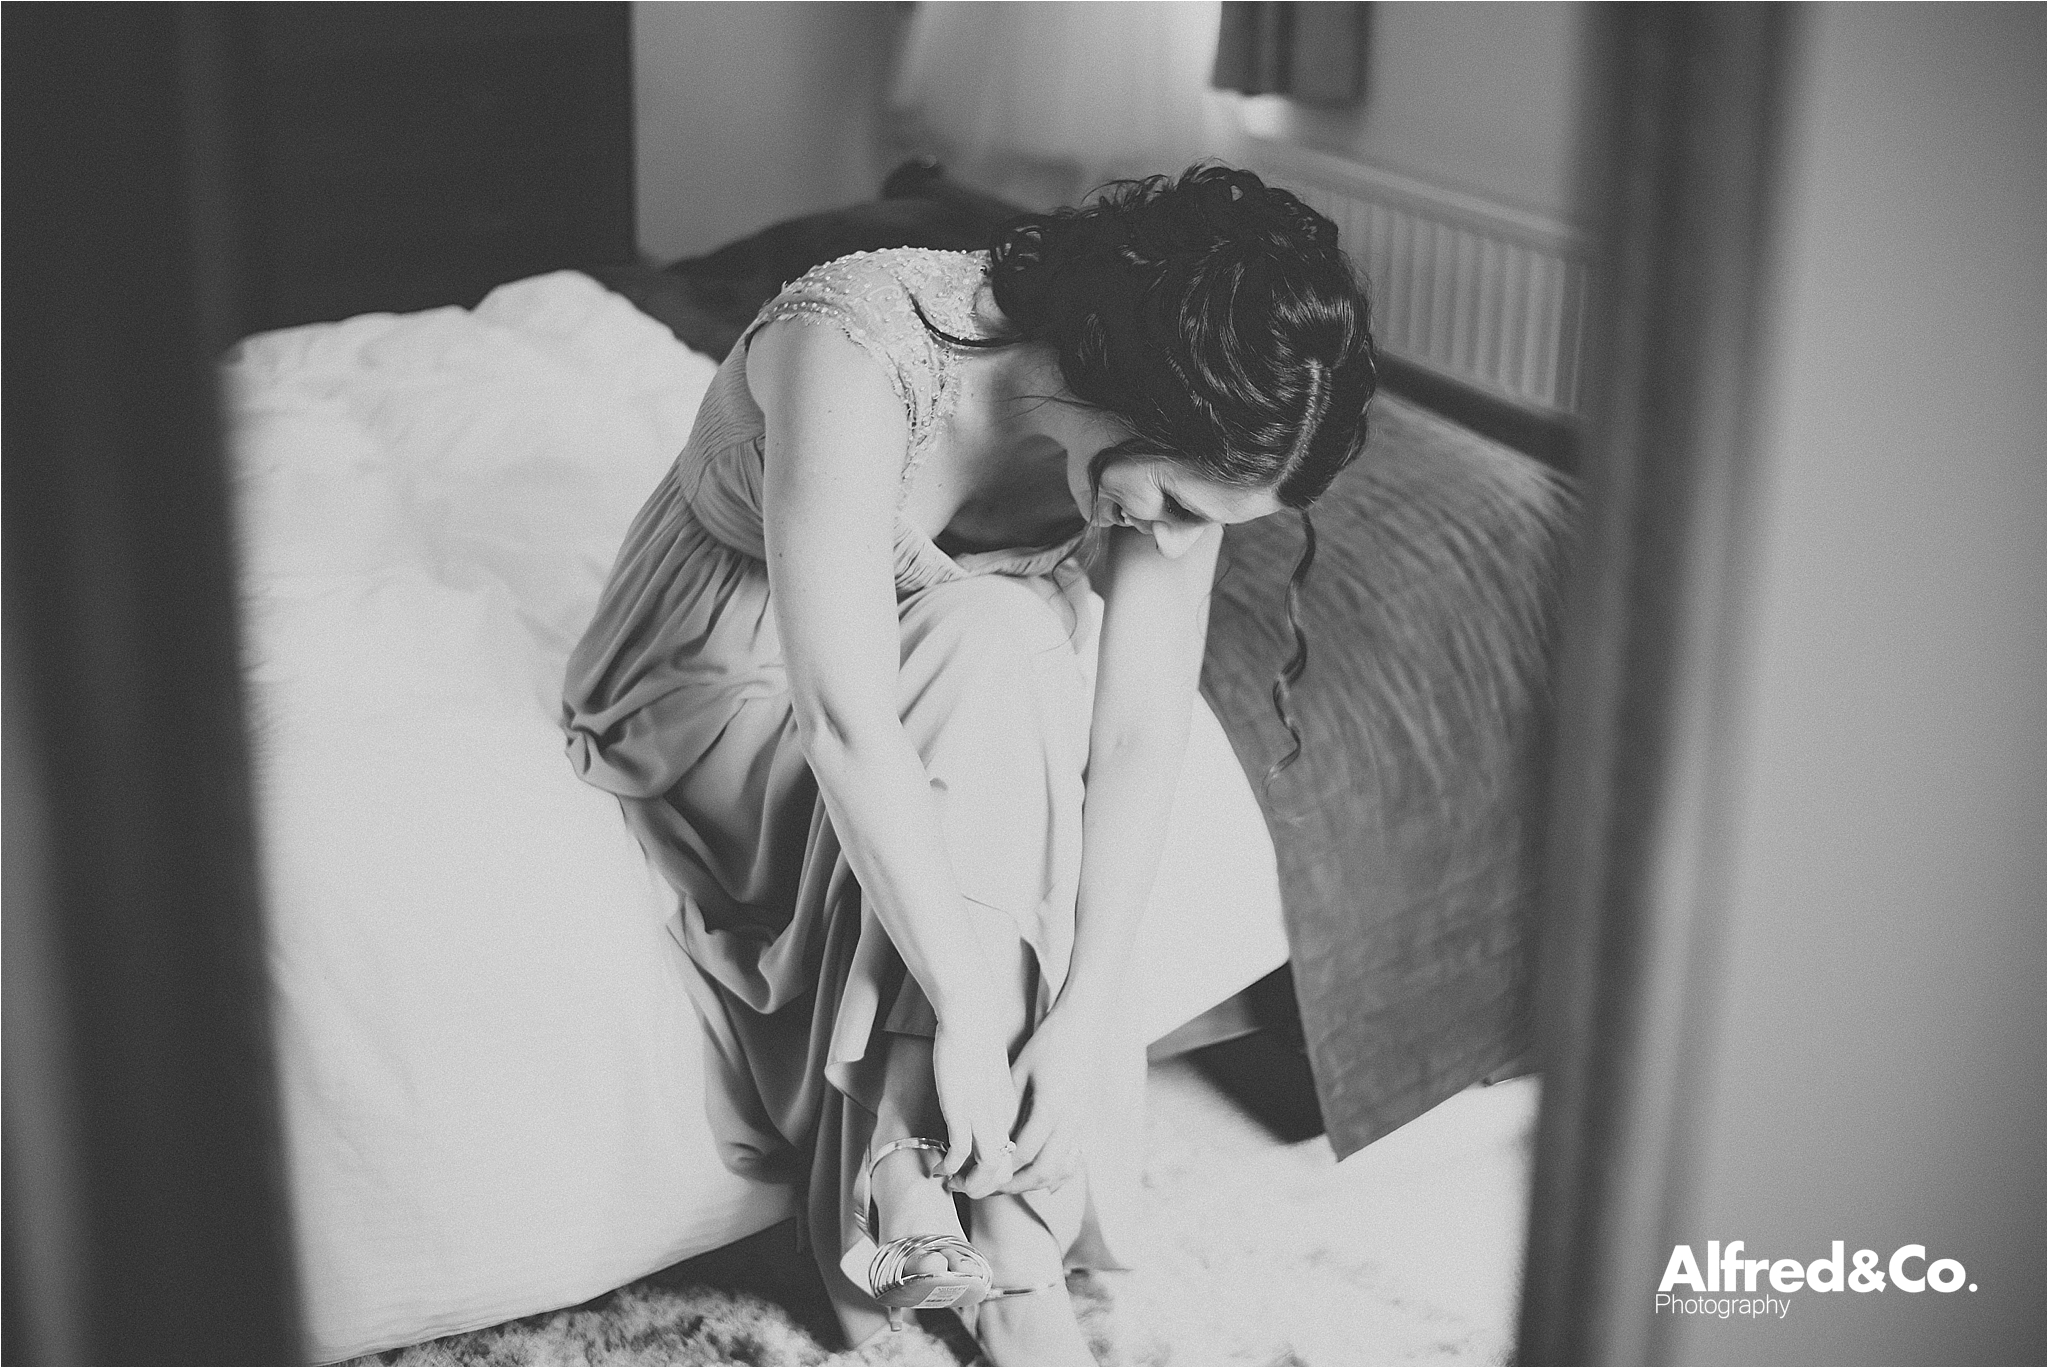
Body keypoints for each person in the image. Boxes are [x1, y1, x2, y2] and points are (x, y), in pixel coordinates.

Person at [562, 165, 1376, 1365]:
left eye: (1212, 522)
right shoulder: (854, 346)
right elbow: (844, 725)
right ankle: (995, 1239)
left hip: (935, 703)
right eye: (1178, 502)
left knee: (1007, 655)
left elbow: (1138, 732)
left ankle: (920, 1209)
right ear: (1127, 380)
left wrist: (1092, 1008)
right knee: (997, 648)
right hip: (720, 682)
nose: (1173, 538)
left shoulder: (1165, 469)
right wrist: (967, 1014)